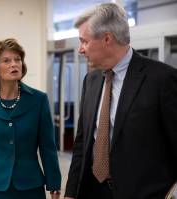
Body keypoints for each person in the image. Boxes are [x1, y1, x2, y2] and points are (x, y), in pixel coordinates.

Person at [64, 3, 177, 199]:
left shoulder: (162, 79)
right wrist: (71, 193)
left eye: (84, 41)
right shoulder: (91, 80)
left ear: (107, 39)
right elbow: (83, 142)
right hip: (92, 191)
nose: (81, 50)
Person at [0, 38, 61, 199]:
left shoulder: (38, 100)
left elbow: (48, 148)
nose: (14, 64)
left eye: (17, 59)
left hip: (30, 188)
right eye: (6, 61)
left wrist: (55, 188)